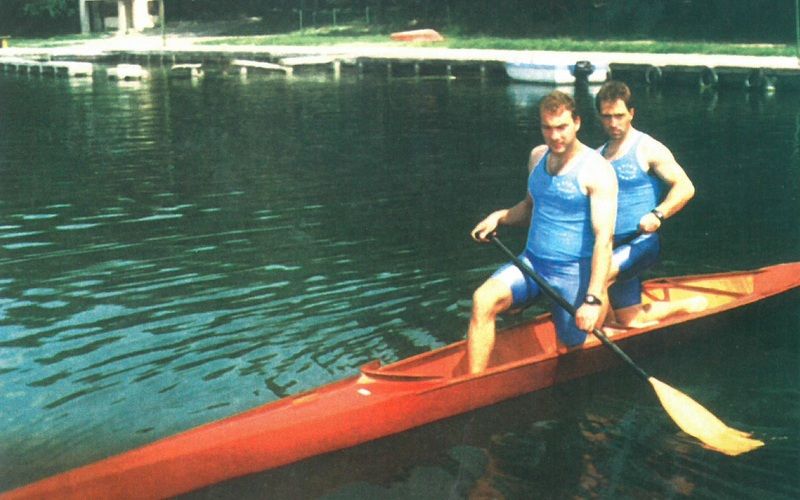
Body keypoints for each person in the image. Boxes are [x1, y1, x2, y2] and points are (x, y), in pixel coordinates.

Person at [468, 90, 618, 374]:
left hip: (573, 273)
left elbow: (604, 240)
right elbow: (528, 207)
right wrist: (500, 217)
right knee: (482, 300)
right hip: (533, 264)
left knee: (571, 354)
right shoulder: (537, 157)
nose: (555, 136)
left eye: (562, 127)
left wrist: (592, 299)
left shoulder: (597, 171)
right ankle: (473, 387)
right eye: (547, 128)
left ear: (576, 123)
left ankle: (604, 315)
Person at [595, 80, 704, 327]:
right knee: (630, 317)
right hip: (609, 247)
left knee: (597, 277)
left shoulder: (648, 148)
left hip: (640, 242)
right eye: (607, 117)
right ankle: (688, 305)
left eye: (619, 115)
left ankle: (601, 332)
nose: (613, 123)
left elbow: (685, 187)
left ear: (631, 113)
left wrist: (658, 214)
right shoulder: (596, 156)